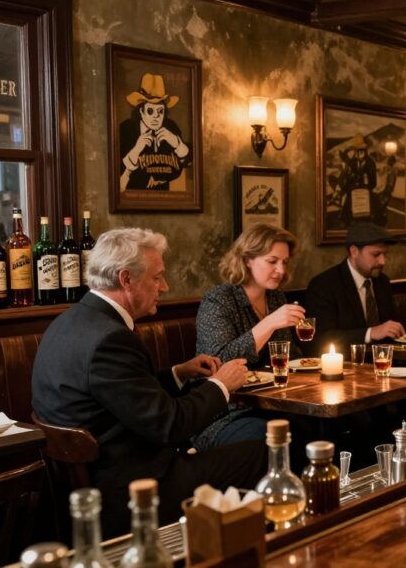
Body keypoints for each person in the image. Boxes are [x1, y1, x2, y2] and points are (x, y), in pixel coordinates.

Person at [31, 228, 265, 536]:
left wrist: (178, 373)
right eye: (157, 277)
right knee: (262, 452)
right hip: (131, 491)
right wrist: (222, 385)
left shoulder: (71, 321)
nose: (165, 287)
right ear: (126, 279)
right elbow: (169, 425)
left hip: (93, 479)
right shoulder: (110, 339)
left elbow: (123, 394)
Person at [192, 225, 305, 450]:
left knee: (328, 424)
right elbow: (218, 362)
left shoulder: (276, 298)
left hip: (276, 404)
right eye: (272, 261)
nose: (281, 270)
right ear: (247, 260)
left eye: (284, 262)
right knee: (275, 436)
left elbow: (290, 356)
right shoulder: (218, 301)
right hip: (225, 413)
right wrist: (269, 323)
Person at [304, 222, 405, 355]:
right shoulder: (324, 285)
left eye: (385, 254)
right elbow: (322, 339)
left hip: (384, 363)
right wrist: (370, 333)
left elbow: (389, 329)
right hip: (345, 365)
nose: (383, 261)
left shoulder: (382, 282)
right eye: (376, 254)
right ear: (354, 251)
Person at [119, 73, 191, 191]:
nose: (156, 116)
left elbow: (187, 161)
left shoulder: (171, 127)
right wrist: (136, 149)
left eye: (160, 111)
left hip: (163, 200)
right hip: (132, 201)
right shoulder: (126, 129)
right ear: (141, 111)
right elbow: (117, 179)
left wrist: (177, 143)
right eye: (150, 111)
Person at [337, 134, 380, 227]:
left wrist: (365, 188)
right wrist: (349, 188)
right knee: (348, 202)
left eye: (361, 152)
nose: (359, 155)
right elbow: (347, 178)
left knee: (374, 206)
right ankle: (346, 220)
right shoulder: (352, 163)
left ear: (365, 151)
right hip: (353, 190)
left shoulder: (371, 163)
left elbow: (373, 182)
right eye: (357, 152)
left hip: (366, 190)